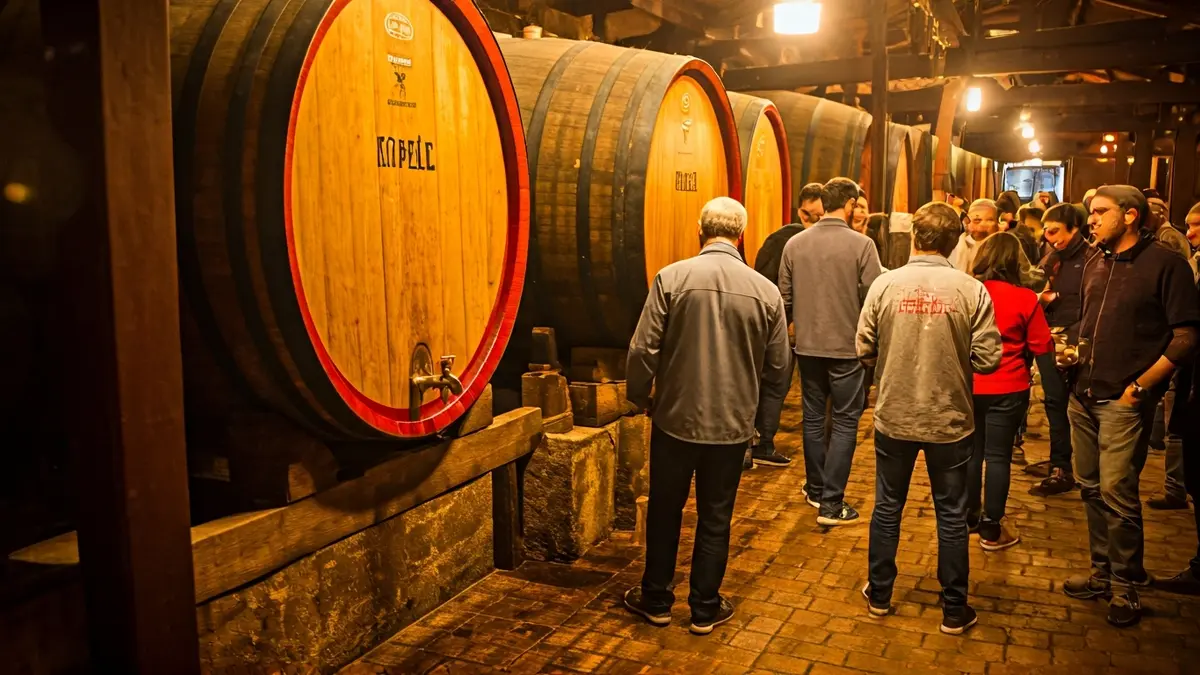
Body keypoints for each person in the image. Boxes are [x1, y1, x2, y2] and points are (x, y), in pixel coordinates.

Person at [623, 197, 791, 636]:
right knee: (716, 516)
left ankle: (656, 599)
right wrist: (759, 409)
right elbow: (779, 366)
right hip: (732, 425)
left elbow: (643, 350)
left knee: (665, 509)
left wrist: (640, 396)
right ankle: (704, 608)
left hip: (675, 419)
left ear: (700, 231)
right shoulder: (766, 290)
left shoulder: (671, 278)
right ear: (742, 236)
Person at [856, 202, 1002, 635]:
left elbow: (863, 346)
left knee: (887, 507)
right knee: (952, 515)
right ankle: (954, 609)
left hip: (895, 415)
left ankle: (880, 594)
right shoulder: (971, 290)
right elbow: (990, 357)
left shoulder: (886, 284)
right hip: (950, 418)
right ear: (956, 240)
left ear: (915, 237)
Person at [1063, 185, 1200, 628]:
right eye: (1091, 213)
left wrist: (1140, 387)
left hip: (1124, 400)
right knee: (1088, 488)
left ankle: (1126, 587)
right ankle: (1101, 574)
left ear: (1131, 216)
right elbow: (1089, 323)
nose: (1092, 220)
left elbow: (1186, 336)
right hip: (1083, 394)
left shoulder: (1167, 265)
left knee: (1117, 495)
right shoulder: (1096, 262)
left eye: (1100, 212)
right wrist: (1071, 354)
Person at [779, 177, 883, 526]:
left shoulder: (794, 243)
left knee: (811, 417)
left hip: (807, 346)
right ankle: (831, 502)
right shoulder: (863, 245)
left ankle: (814, 486)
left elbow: (785, 299)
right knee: (844, 422)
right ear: (851, 203)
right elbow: (873, 298)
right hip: (846, 348)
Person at [966, 233, 1053, 550]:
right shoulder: (1025, 298)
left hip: (970, 384)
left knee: (972, 454)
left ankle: (970, 517)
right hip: (1010, 386)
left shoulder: (968, 293)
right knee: (998, 457)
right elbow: (1042, 345)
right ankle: (991, 529)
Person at [749, 182, 825, 469]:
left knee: (778, 386)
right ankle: (755, 443)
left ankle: (762, 441)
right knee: (766, 383)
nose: (813, 223)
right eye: (808, 216)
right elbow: (763, 279)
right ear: (799, 212)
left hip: (798, 327)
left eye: (819, 216)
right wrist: (785, 321)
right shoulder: (781, 240)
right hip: (777, 324)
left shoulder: (817, 242)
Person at [1030, 203, 1096, 497]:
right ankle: (1061, 467)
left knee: (1083, 408)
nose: (1048, 236)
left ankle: (1087, 470)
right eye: (1045, 231)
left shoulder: (1094, 259)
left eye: (1055, 230)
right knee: (1054, 405)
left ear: (1075, 228)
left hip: (1081, 343)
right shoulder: (1051, 258)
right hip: (1049, 342)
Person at [753, 182, 824, 285]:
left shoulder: (832, 242)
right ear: (801, 213)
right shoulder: (778, 240)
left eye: (821, 216)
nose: (819, 220)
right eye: (815, 216)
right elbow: (763, 284)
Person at [950, 199, 1001, 274]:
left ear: (997, 223)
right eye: (977, 220)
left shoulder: (1004, 248)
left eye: (989, 220)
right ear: (968, 222)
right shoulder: (957, 245)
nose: (983, 225)